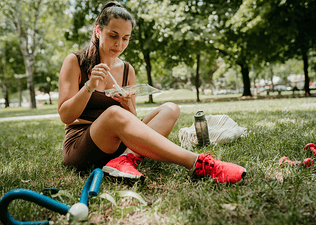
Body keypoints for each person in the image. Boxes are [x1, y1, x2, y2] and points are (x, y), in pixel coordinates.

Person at [58, 1, 246, 184]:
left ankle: (124, 160)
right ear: (98, 31)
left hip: (118, 144)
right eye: (113, 36)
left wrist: (128, 105)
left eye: (125, 38)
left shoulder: (126, 70)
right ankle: (198, 163)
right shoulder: (75, 61)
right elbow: (66, 116)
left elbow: (131, 120)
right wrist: (89, 86)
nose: (119, 44)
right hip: (82, 145)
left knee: (171, 109)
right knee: (114, 114)